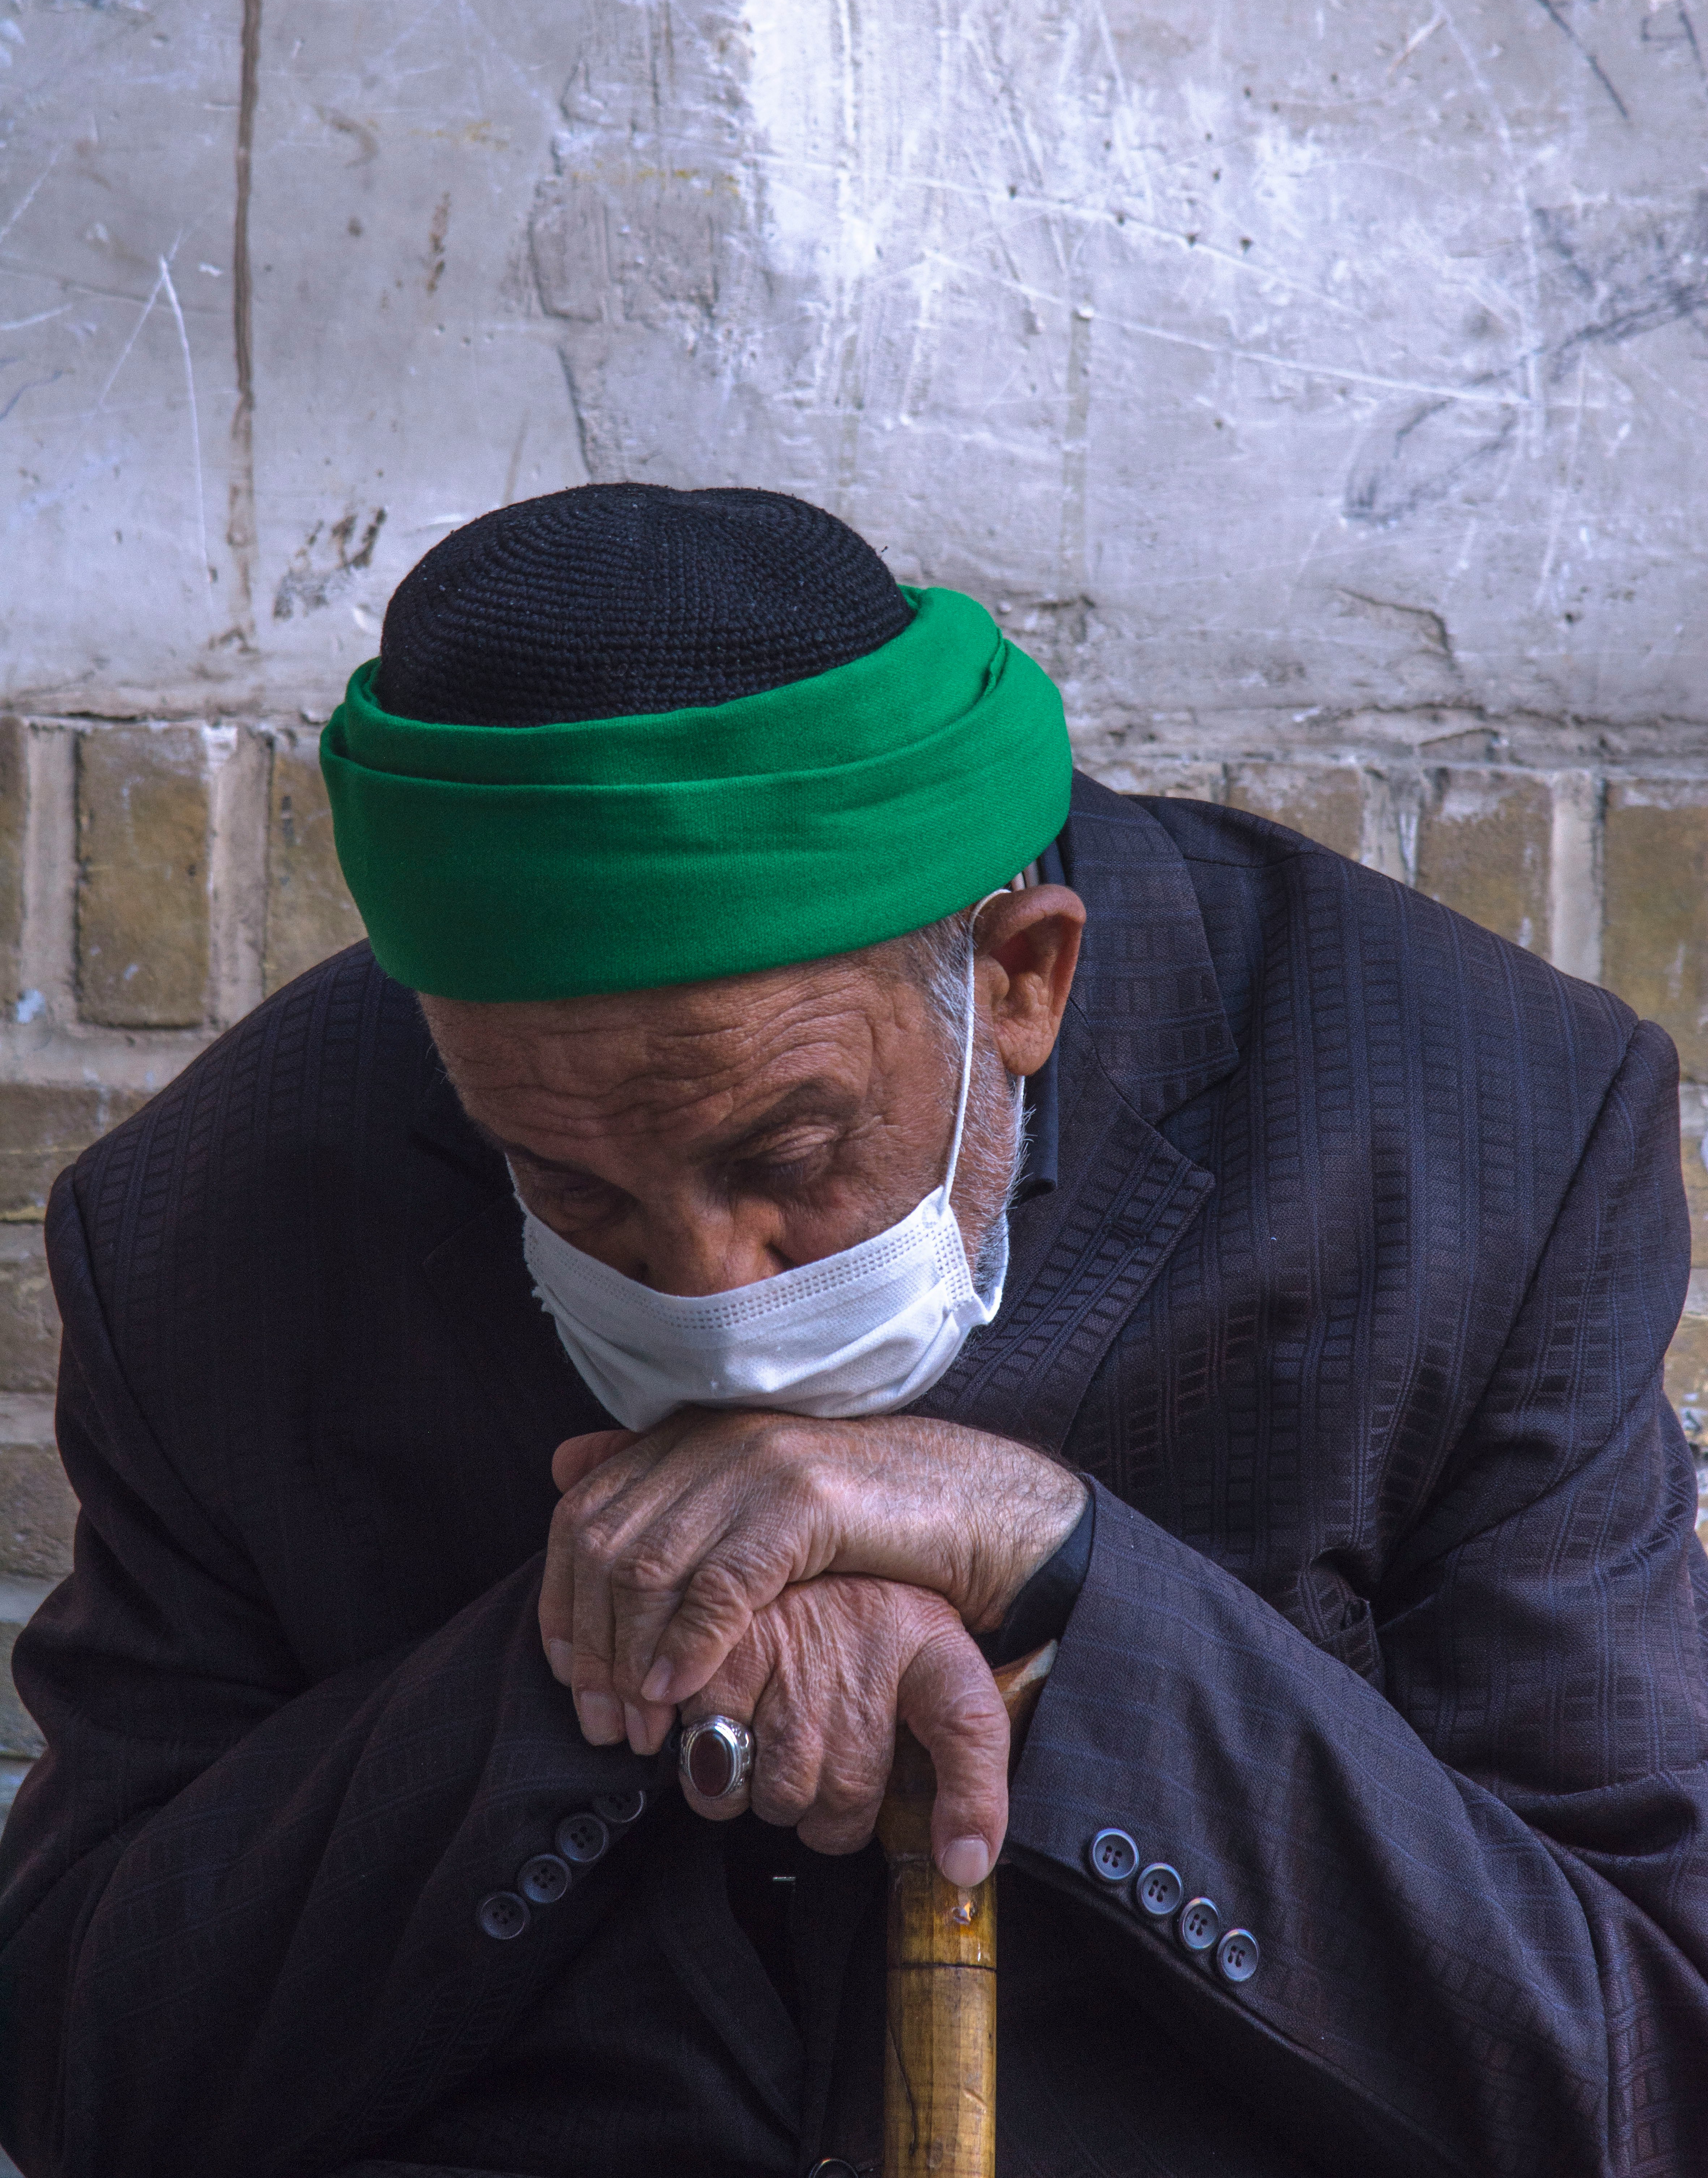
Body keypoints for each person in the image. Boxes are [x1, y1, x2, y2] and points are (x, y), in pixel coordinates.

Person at [0, 481, 1702, 2178]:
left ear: (1019, 979)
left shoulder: (1477, 1140)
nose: (710, 1294)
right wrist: (612, 1636)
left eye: (787, 1157)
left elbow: (1633, 2072)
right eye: (569, 1187)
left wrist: (1054, 1576)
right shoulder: (218, 1226)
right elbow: (86, 2074)